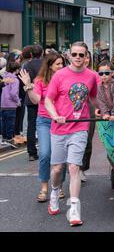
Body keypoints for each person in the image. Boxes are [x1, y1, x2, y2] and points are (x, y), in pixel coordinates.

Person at [45, 42, 98, 227]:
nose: (77, 57)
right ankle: (54, 190)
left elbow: (93, 97)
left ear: (86, 57)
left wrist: (101, 110)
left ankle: (74, 208)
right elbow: (48, 100)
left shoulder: (92, 76)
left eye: (81, 55)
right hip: (59, 129)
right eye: (74, 54)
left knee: (74, 167)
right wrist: (54, 115)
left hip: (80, 127)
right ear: (69, 56)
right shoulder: (59, 75)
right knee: (57, 169)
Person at [19, 53, 67, 202]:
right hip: (45, 121)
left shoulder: (66, 79)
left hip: (62, 121)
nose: (60, 67)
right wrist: (28, 85)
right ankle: (44, 187)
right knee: (45, 153)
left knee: (60, 156)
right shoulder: (40, 81)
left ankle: (58, 186)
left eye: (62, 64)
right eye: (57, 64)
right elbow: (35, 100)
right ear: (50, 65)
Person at [79, 51, 100, 183]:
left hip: (89, 108)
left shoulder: (94, 75)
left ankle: (82, 168)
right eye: (81, 56)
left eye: (87, 57)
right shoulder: (70, 73)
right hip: (73, 110)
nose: (84, 59)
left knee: (87, 142)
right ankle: (73, 167)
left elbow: (100, 91)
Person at [23, 45, 43, 162]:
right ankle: (47, 150)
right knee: (46, 124)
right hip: (43, 97)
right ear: (41, 53)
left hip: (30, 97)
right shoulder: (45, 64)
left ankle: (31, 153)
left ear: (31, 53)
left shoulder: (26, 65)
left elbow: (23, 82)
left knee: (32, 125)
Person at [0, 62, 21, 146]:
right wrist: (18, 101)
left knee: (3, 121)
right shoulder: (15, 80)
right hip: (11, 104)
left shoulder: (4, 77)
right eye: (19, 69)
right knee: (10, 122)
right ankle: (9, 139)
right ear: (16, 70)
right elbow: (13, 93)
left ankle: (4, 138)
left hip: (3, 103)